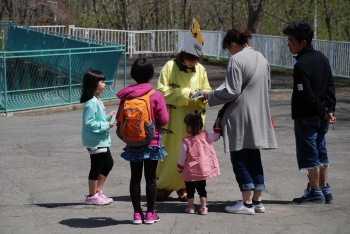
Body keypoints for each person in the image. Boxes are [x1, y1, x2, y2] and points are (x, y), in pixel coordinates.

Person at [203, 28, 278, 215]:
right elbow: (266, 86)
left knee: (239, 158)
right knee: (254, 156)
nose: (229, 52)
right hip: (258, 114)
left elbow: (232, 91)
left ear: (233, 45)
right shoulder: (262, 57)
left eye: (228, 48)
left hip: (240, 115)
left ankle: (246, 203)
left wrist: (209, 95)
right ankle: (258, 200)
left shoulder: (236, 60)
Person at [156, 18, 212, 201]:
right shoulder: (170, 67)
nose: (191, 64)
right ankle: (162, 186)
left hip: (193, 120)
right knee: (170, 153)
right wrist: (185, 94)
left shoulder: (201, 69)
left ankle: (184, 187)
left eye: (194, 62)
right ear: (183, 55)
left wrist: (204, 95)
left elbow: (208, 89)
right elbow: (161, 91)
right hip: (173, 119)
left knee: (191, 156)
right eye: (189, 61)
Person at [282, 20, 336, 204]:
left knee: (309, 154)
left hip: (307, 117)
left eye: (291, 41)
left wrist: (323, 110)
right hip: (322, 116)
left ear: (303, 42)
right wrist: (329, 110)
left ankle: (315, 192)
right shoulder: (322, 58)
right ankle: (324, 189)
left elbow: (306, 94)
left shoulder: (301, 65)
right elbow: (330, 86)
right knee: (321, 151)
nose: (288, 44)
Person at [116, 58, 169, 224]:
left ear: (133, 75)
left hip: (133, 142)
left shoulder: (126, 96)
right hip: (151, 143)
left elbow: (119, 118)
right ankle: (150, 214)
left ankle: (137, 214)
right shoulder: (156, 95)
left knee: (135, 177)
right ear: (150, 76)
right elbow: (164, 120)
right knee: (151, 177)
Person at [80, 69, 115, 205]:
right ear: (93, 84)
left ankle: (96, 192)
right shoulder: (91, 102)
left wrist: (108, 117)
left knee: (107, 163)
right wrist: (106, 125)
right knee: (98, 166)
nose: (104, 84)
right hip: (95, 140)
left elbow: (97, 119)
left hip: (100, 139)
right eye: (102, 82)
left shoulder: (96, 100)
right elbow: (90, 123)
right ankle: (92, 195)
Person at [177, 110, 221, 215]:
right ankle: (203, 207)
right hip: (202, 170)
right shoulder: (206, 136)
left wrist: (179, 168)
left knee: (190, 190)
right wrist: (217, 125)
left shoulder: (186, 141)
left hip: (190, 171)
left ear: (189, 127)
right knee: (202, 189)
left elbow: (182, 157)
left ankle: (191, 207)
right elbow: (217, 136)